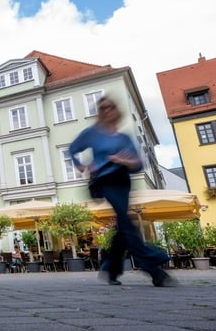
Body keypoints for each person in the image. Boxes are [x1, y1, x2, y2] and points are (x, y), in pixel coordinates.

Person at [69, 96, 177, 288]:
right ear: (100, 112)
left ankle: (110, 269)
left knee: (123, 226)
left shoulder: (123, 138)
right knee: (126, 222)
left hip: (122, 180)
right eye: (103, 108)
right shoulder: (92, 133)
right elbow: (72, 149)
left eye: (111, 106)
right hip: (105, 181)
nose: (107, 110)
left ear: (116, 110)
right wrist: (81, 165)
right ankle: (154, 269)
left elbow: (138, 164)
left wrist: (124, 160)